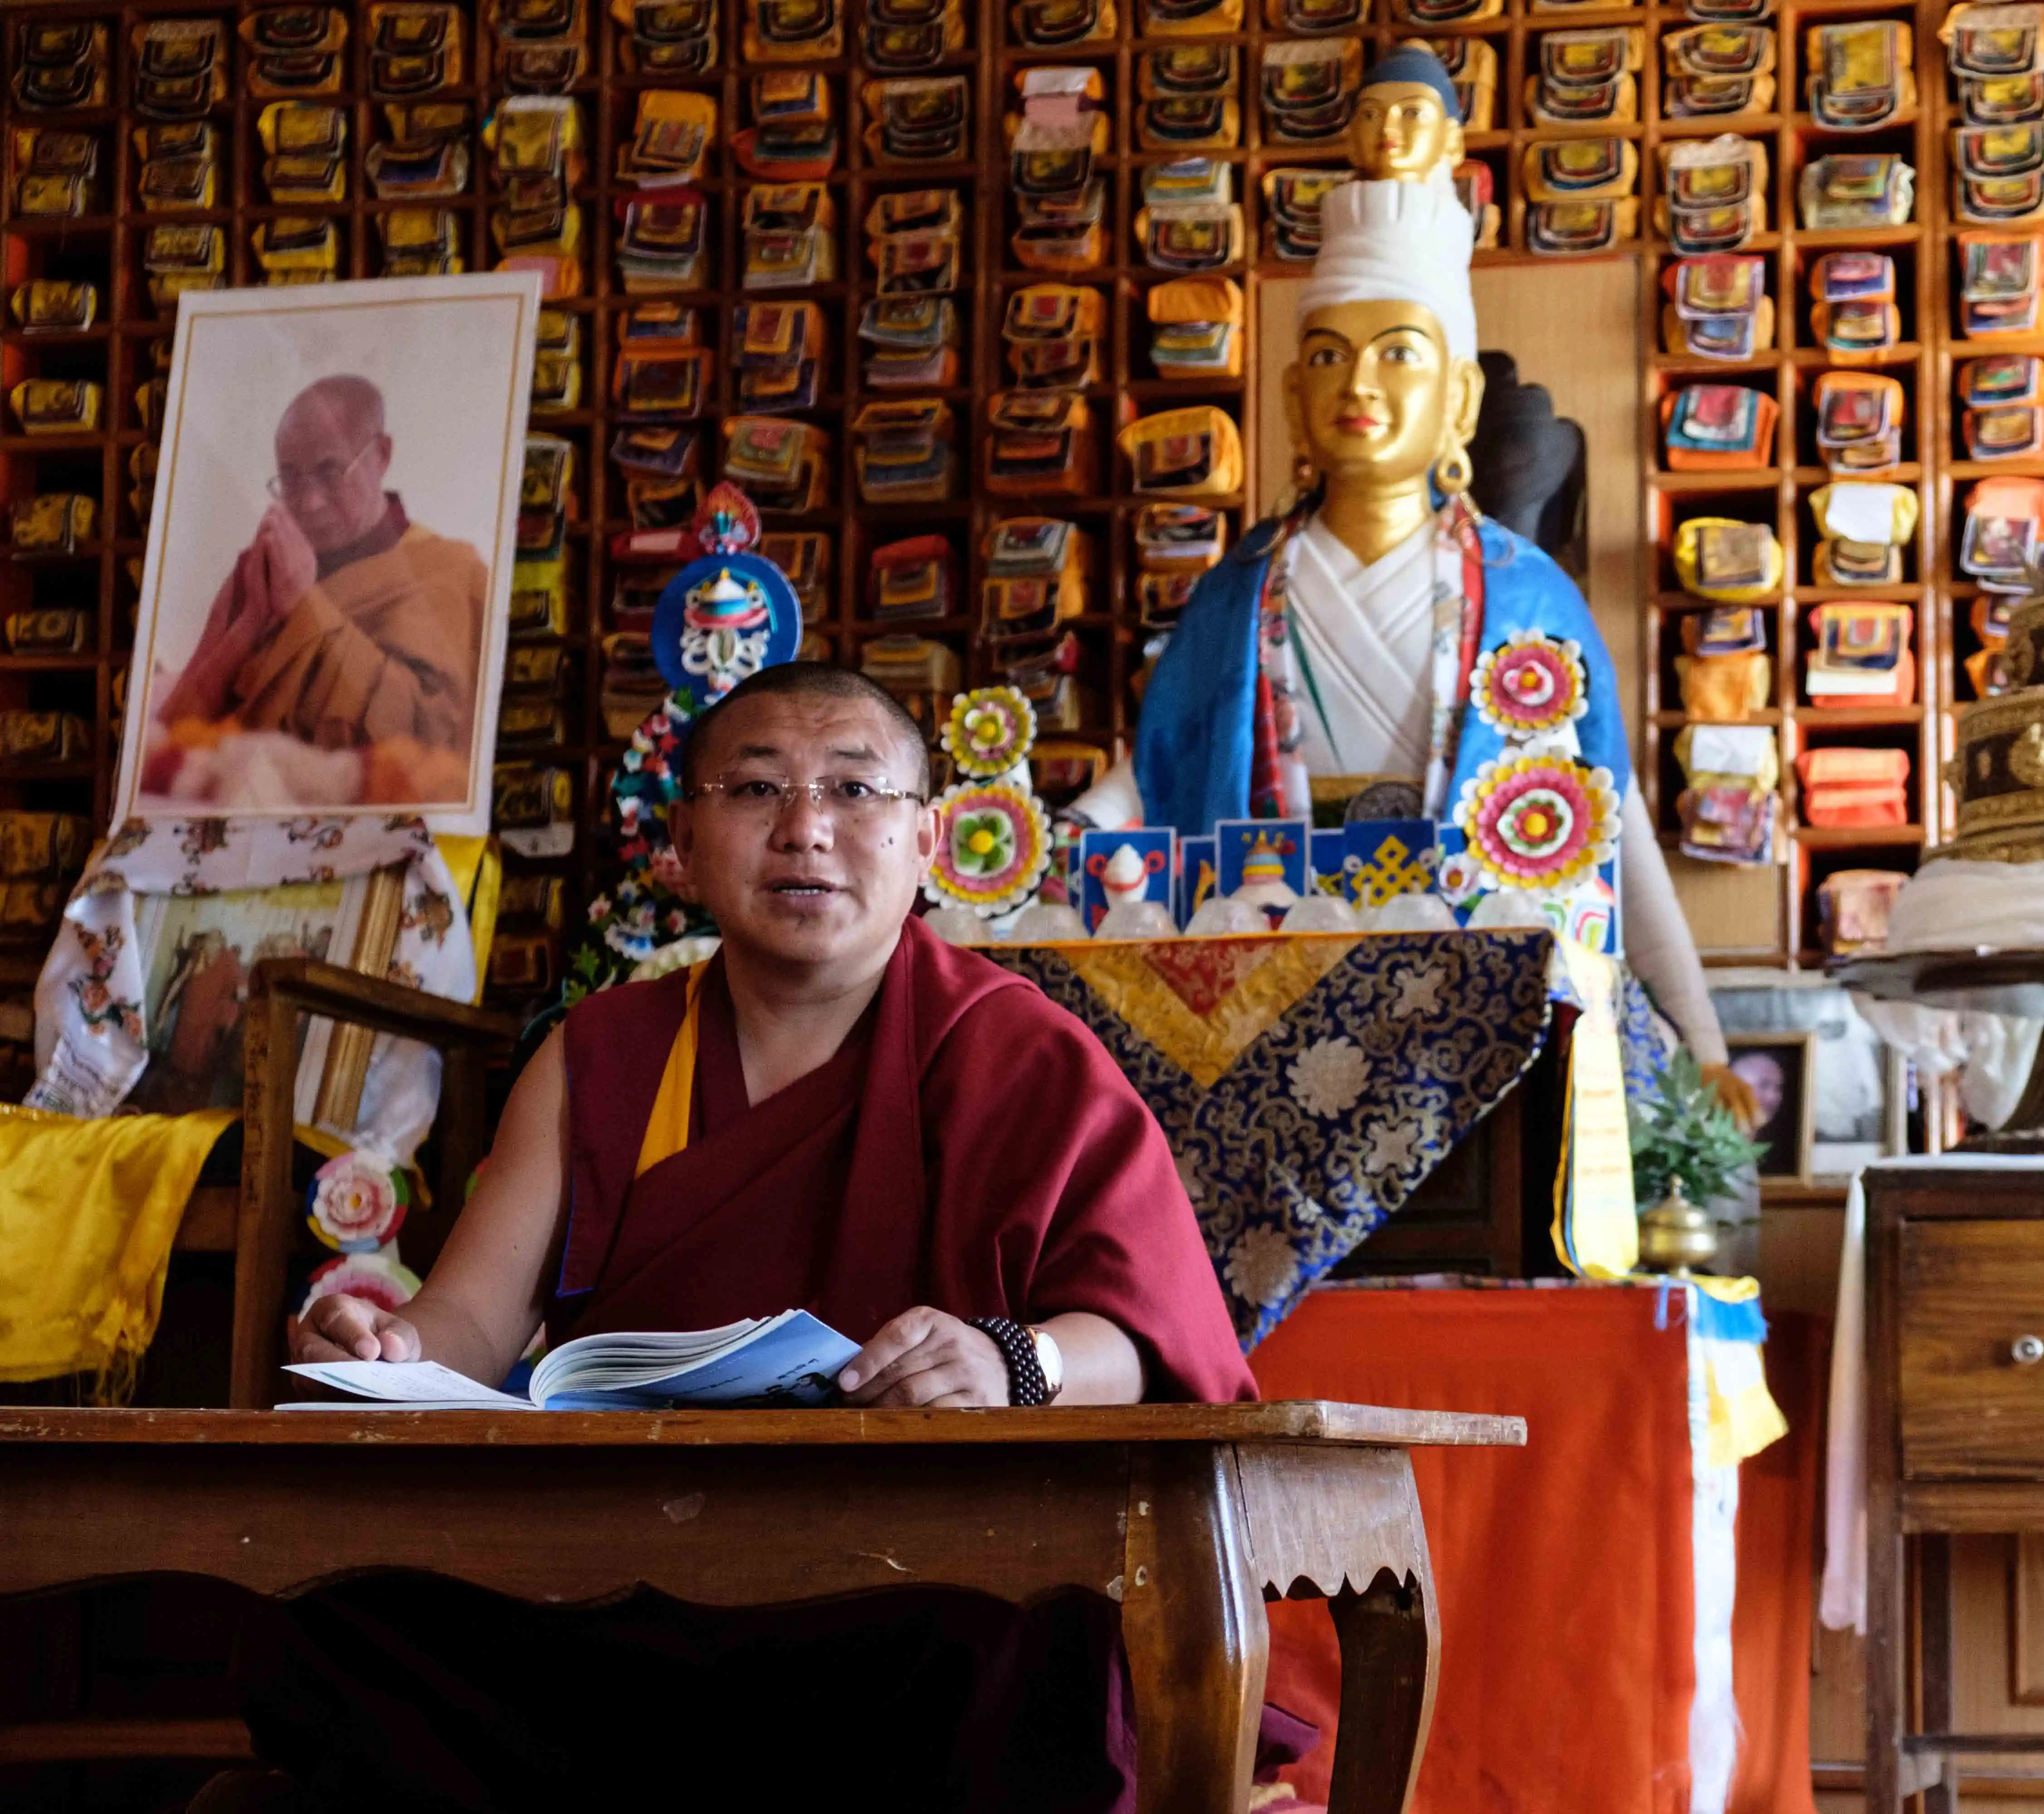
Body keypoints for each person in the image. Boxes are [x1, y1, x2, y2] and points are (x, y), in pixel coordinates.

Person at [219, 661, 1257, 1814]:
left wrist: (1016, 1361)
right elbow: (468, 1315)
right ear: (685, 841)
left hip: (911, 1575)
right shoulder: (602, 1054)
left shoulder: (1020, 1055)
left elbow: (1152, 1347)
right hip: (618, 1577)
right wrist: (387, 1346)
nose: (807, 830)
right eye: (757, 791)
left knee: (1012, 1638)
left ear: (925, 840)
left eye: (855, 793)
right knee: (334, 1614)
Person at [1069, 47, 1747, 1109]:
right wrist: (1034, 851)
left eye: (1398, 354)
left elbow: (1608, 817)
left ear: (1462, 402)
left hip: (1470, 1000)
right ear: (1293, 395)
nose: (1362, 387)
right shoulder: (1236, 592)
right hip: (1263, 983)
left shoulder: (1527, 597)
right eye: (1332, 358)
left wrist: (1698, 1035)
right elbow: (1152, 785)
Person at [157, 374, 489, 759]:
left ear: (381, 456)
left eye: (330, 473)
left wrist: (304, 607)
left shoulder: (449, 570)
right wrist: (250, 624)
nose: (310, 503)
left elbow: (427, 735)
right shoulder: (265, 564)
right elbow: (175, 732)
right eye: (291, 478)